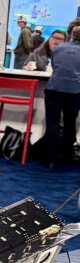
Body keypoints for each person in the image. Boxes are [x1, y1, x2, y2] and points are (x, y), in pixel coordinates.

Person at [42, 28, 80, 168]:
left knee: (52, 124)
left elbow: (55, 65)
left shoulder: (59, 48)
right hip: (74, 91)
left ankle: (49, 159)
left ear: (71, 35)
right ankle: (66, 158)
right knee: (70, 124)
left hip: (54, 88)